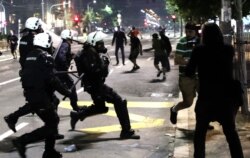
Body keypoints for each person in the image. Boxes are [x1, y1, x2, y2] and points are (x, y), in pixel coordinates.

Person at [185, 23, 244, 158]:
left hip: (207, 97)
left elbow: (189, 72)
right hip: (226, 98)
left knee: (200, 133)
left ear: (204, 35)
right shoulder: (228, 49)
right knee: (231, 134)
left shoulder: (199, 50)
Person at [11, 32, 72, 158]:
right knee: (51, 124)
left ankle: (49, 152)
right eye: (49, 44)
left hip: (31, 93)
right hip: (40, 95)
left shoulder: (30, 55)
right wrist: (67, 92)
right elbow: (52, 80)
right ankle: (22, 141)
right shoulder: (45, 57)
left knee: (52, 121)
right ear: (46, 44)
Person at [71, 31, 140, 139]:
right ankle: (126, 131)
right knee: (120, 102)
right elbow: (96, 71)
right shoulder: (90, 53)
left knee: (100, 107)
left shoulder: (90, 51)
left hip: (92, 85)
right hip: (96, 86)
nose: (102, 45)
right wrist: (105, 63)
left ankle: (77, 115)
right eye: (100, 43)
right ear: (94, 43)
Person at [4, 17, 46, 133]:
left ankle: (51, 130)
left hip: (27, 72)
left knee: (39, 101)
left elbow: (23, 58)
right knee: (41, 101)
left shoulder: (24, 39)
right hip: (35, 74)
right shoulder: (35, 40)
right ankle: (50, 129)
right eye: (38, 27)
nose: (40, 28)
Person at [54, 29, 80, 111]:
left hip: (57, 70)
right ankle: (75, 106)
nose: (72, 38)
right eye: (71, 36)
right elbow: (61, 57)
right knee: (71, 86)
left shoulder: (62, 43)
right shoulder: (65, 44)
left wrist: (70, 55)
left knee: (53, 88)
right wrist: (66, 66)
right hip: (60, 71)